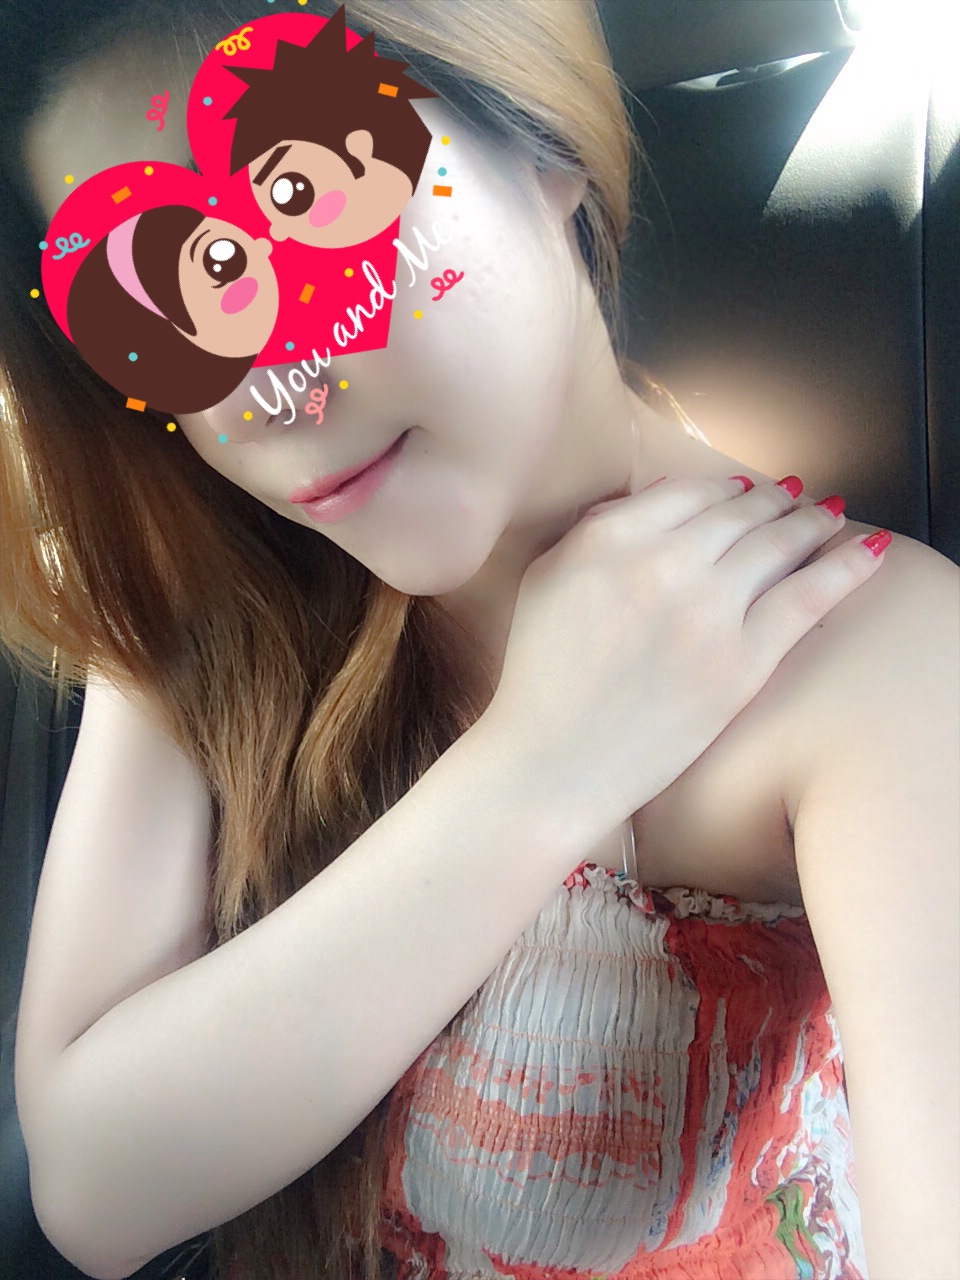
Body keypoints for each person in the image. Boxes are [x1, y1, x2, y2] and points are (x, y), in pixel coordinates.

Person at [5, 2, 933, 1279]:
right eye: (160, 306)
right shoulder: (209, 597)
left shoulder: (866, 647)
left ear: (545, 143)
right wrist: (543, 764)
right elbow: (94, 1187)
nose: (271, 395)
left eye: (309, 207)